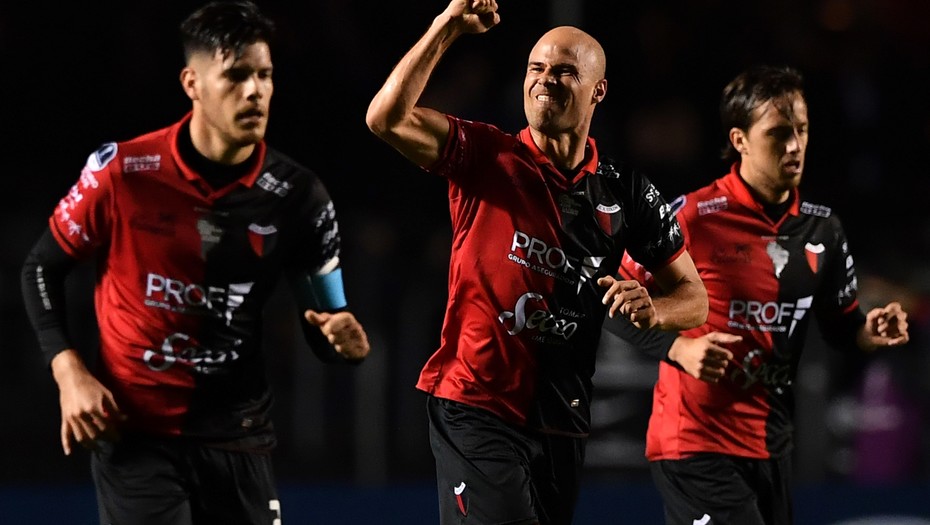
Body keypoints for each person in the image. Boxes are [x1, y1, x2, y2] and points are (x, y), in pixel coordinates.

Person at [20, 1, 370, 523]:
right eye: (236, 76)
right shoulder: (123, 173)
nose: (255, 91)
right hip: (135, 436)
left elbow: (327, 322)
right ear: (192, 83)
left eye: (265, 75)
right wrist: (69, 371)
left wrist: (344, 342)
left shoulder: (300, 197)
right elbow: (40, 268)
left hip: (238, 436)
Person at [365, 1, 708, 523]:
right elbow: (385, 119)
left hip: (561, 420)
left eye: (565, 70)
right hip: (476, 405)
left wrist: (655, 309)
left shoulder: (626, 192)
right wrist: (446, 27)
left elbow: (695, 298)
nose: (545, 79)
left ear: (598, 91)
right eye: (536, 67)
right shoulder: (486, 155)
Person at [611, 65, 910, 525]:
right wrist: (679, 348)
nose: (794, 146)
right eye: (778, 133)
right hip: (695, 445)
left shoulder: (823, 229)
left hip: (772, 446)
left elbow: (841, 326)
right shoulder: (693, 218)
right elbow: (611, 302)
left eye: (802, 130)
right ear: (740, 140)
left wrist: (868, 331)